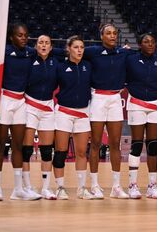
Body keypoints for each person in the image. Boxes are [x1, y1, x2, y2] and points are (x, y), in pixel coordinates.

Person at [0, 23, 41, 201]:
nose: (24, 38)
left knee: (18, 146)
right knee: (0, 146)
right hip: (5, 99)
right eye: (20, 35)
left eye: (26, 35)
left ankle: (18, 189)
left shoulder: (30, 52)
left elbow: (49, 52)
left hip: (21, 101)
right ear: (11, 37)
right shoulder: (2, 52)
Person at [84, 23, 130, 199]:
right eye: (108, 33)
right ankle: (95, 185)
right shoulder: (92, 51)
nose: (112, 36)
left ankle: (116, 186)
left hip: (115, 99)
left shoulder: (123, 53)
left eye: (114, 33)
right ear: (101, 35)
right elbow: (70, 50)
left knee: (115, 143)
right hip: (98, 98)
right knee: (95, 143)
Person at [125, 33, 157, 199]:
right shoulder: (131, 59)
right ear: (140, 44)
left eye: (152, 41)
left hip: (155, 104)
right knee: (136, 144)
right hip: (136, 103)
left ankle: (152, 185)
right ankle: (132, 185)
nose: (150, 44)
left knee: (153, 144)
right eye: (146, 42)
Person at [53, 35, 93, 200]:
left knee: (82, 152)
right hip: (64, 112)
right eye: (75, 47)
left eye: (82, 47)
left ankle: (81, 188)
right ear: (68, 48)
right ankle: (60, 187)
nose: (79, 50)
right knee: (61, 151)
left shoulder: (88, 66)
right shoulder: (60, 66)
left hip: (83, 113)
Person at [21, 35, 58, 200]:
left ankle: (45, 187)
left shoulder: (55, 62)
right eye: (41, 43)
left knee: (46, 150)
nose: (44, 45)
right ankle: (27, 186)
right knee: (27, 150)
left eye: (47, 43)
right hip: (30, 105)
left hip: (48, 107)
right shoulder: (29, 59)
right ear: (35, 46)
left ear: (51, 47)